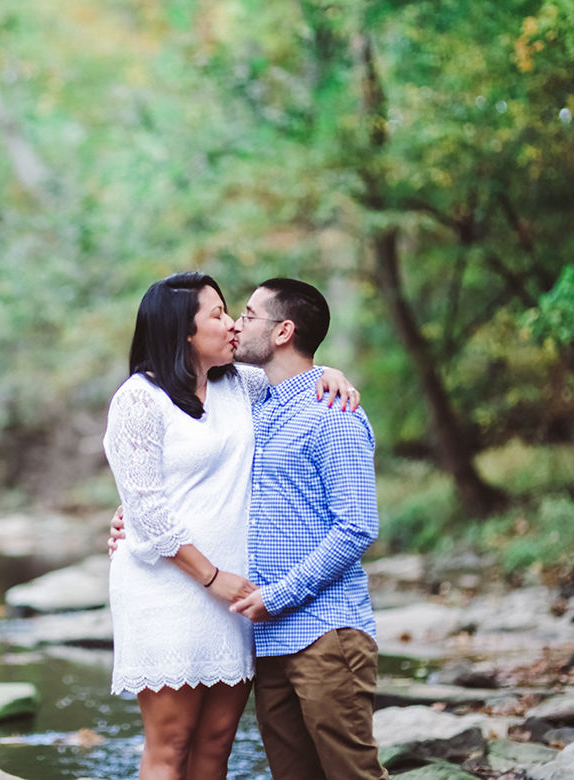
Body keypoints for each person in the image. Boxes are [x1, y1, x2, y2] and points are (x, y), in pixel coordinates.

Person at [104, 272, 359, 780]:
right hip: (172, 587)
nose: (231, 325)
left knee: (217, 743)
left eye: (231, 313)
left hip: (239, 593)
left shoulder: (241, 385)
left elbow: (295, 369)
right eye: (217, 315)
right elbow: (148, 507)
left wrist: (333, 372)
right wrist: (212, 577)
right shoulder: (138, 399)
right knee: (171, 743)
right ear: (184, 332)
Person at [227, 278, 388, 780]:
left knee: (351, 775)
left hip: (325, 632)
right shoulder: (255, 407)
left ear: (283, 331)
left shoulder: (333, 414)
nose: (237, 323)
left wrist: (280, 594)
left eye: (249, 314)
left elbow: (358, 526)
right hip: (269, 640)